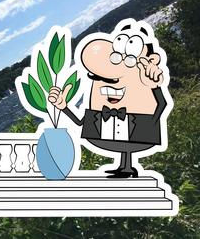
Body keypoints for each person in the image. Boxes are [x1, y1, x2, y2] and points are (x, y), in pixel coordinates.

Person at [48, 20, 170, 179]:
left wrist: (151, 122)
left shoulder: (146, 79)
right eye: (98, 77)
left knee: (128, 144)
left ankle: (127, 167)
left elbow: (163, 103)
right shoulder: (99, 113)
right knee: (123, 145)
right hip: (109, 128)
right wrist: (63, 106)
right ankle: (124, 167)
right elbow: (80, 123)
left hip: (138, 127)